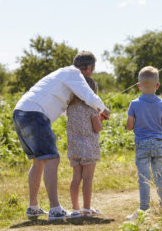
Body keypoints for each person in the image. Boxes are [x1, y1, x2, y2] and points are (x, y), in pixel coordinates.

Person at [12, 51, 110, 220]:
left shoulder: (62, 74)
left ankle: (33, 207)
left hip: (21, 111)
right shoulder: (73, 74)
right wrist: (103, 109)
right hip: (35, 113)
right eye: (92, 70)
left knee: (39, 161)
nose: (90, 75)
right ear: (88, 68)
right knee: (52, 159)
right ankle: (55, 209)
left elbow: (65, 109)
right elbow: (87, 95)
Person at [126, 66, 162, 220]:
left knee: (144, 178)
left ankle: (144, 208)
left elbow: (129, 126)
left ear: (139, 85)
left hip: (142, 143)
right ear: (157, 85)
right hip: (158, 143)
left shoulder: (134, 104)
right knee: (159, 176)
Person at [67, 77, 103, 218]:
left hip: (74, 148)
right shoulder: (91, 108)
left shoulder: (70, 108)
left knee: (76, 178)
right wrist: (100, 118)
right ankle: (87, 208)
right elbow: (97, 128)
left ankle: (75, 209)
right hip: (88, 148)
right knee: (87, 178)